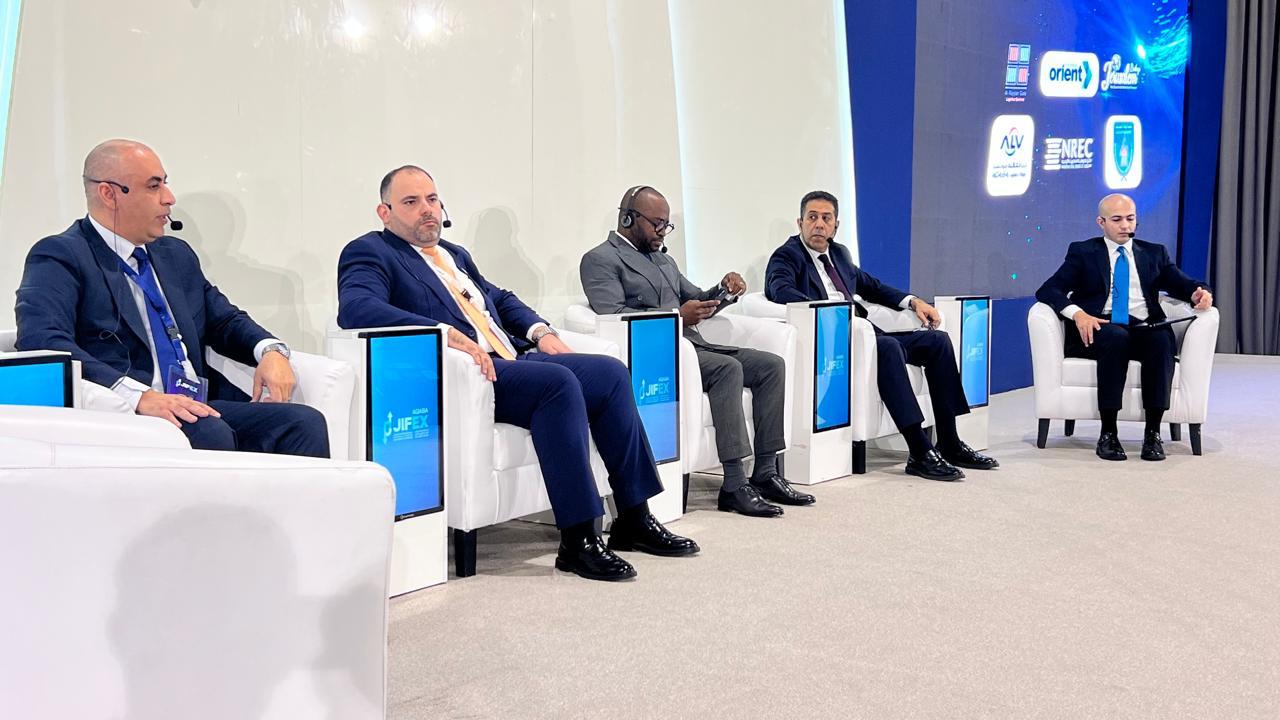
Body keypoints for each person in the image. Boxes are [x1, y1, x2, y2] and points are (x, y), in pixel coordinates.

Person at [337, 166, 698, 582]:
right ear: (384, 212)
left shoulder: (454, 255)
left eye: (432, 199)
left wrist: (540, 331)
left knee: (611, 374)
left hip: (512, 356)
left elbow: (499, 298)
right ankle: (578, 539)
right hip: (470, 374)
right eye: (411, 202)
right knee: (558, 385)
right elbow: (358, 308)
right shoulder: (370, 252)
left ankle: (633, 517)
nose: (427, 210)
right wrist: (444, 333)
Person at [16, 139, 328, 458]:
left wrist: (270, 351)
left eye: (165, 183)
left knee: (303, 424)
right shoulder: (60, 255)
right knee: (209, 431)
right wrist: (138, 397)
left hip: (193, 402)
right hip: (125, 412)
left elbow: (224, 320)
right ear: (109, 194)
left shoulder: (174, 254)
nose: (169, 198)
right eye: (154, 187)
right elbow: (42, 340)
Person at [580, 185, 815, 517]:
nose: (663, 231)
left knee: (771, 366)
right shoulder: (600, 259)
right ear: (629, 218)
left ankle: (765, 472)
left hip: (694, 347)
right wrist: (678, 316)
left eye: (667, 224)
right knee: (728, 369)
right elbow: (614, 315)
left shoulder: (664, 260)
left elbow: (698, 300)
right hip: (657, 354)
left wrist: (725, 290)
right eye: (657, 223)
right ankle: (734, 485)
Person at [764, 190, 997, 480]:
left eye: (826, 218)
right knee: (887, 348)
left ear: (836, 225)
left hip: (866, 335)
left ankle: (949, 441)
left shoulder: (839, 254)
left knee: (937, 341)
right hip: (833, 341)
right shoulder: (787, 256)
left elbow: (872, 287)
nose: (819, 224)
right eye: (812, 218)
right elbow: (780, 290)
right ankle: (919, 451)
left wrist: (914, 302)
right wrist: (834, 313)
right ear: (800, 223)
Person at [1035, 193, 1213, 461]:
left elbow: (1183, 284)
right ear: (1101, 222)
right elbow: (1048, 289)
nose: (1125, 226)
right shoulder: (1083, 252)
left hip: (1142, 325)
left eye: (1130, 219)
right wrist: (1078, 314)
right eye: (1117, 220)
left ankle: (1152, 434)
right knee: (1115, 338)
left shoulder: (1153, 253)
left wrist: (1200, 293)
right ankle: (1108, 433)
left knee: (1160, 340)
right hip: (1101, 326)